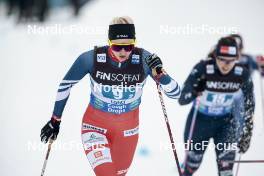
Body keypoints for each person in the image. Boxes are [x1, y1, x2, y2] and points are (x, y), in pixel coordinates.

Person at [40, 16, 180, 176]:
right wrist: (55, 120)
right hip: (94, 127)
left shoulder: (144, 59)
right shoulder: (91, 59)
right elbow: (65, 85)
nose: (122, 52)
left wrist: (161, 74)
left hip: (128, 132)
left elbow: (175, 93)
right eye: (117, 46)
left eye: (128, 47)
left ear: (134, 42)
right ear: (109, 42)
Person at [179, 36, 255, 176]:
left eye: (230, 61)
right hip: (200, 123)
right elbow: (182, 99)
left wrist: (247, 133)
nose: (225, 65)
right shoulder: (203, 68)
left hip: (226, 124)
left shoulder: (242, 74)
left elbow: (249, 106)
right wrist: (196, 89)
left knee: (226, 170)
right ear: (215, 56)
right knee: (191, 166)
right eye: (221, 59)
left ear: (237, 58)